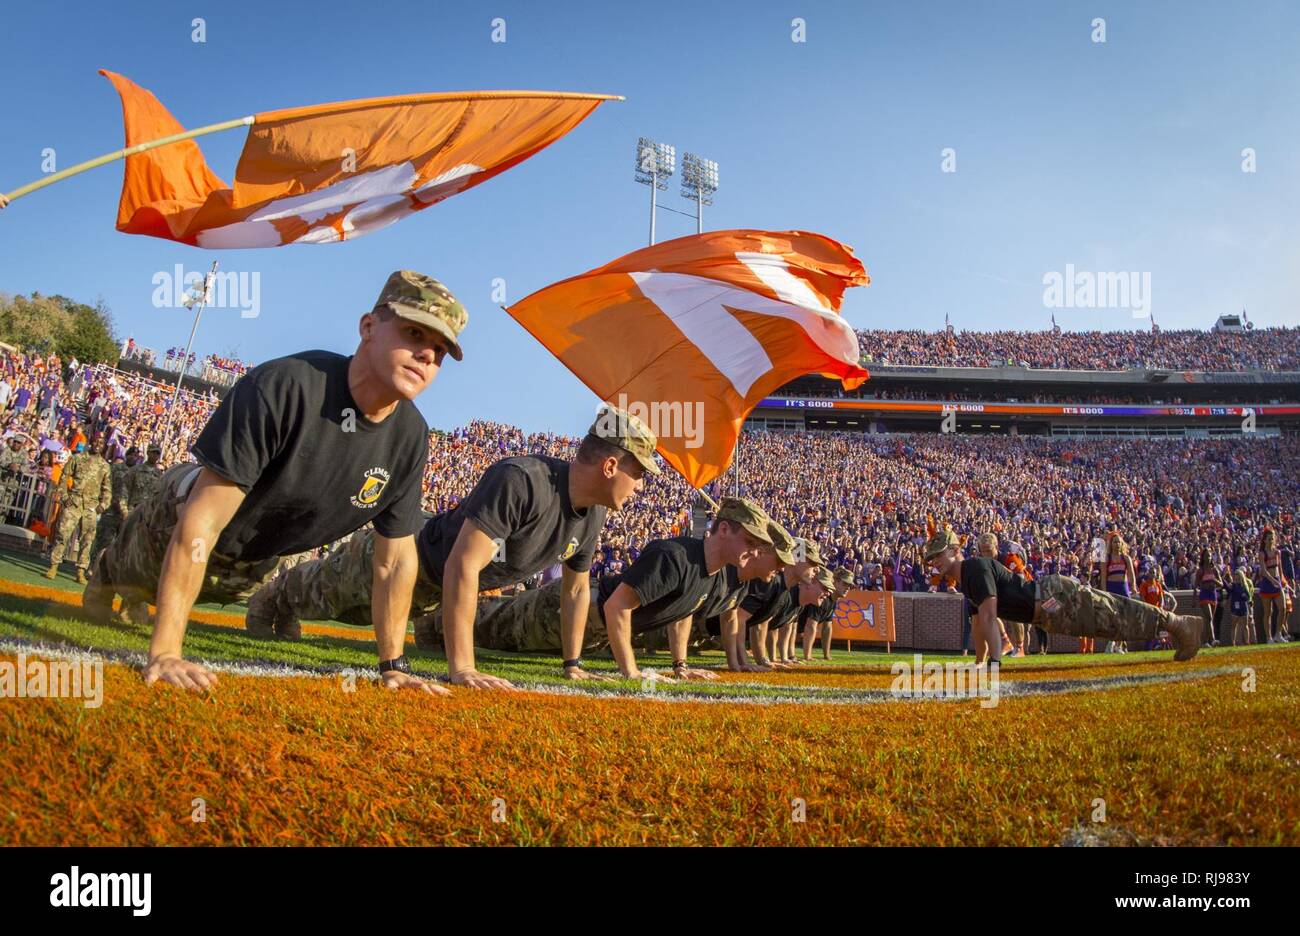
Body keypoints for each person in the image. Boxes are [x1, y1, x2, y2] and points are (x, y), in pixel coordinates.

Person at [85, 270, 467, 694]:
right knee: (137, 573)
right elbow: (201, 523)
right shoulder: (285, 386)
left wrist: (392, 665)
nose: (427, 356)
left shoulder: (411, 437)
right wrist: (167, 651)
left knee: (223, 589)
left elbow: (394, 560)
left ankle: (146, 588)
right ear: (369, 327)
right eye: (414, 333)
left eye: (440, 350)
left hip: (255, 552)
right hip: (179, 513)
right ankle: (108, 568)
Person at [249, 406, 657, 688]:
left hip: (440, 585)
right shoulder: (522, 481)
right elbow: (463, 565)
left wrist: (572, 664)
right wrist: (462, 668)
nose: (640, 486)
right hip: (412, 557)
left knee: (363, 613)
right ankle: (272, 597)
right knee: (331, 596)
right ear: (610, 467)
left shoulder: (595, 516)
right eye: (638, 473)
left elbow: (574, 591)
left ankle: (295, 606)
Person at [438, 497, 777, 682]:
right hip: (571, 611)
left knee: (504, 634)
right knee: (493, 629)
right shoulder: (675, 556)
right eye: (750, 541)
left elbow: (682, 615)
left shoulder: (714, 573)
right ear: (723, 531)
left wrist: (680, 665)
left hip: (596, 629)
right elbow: (618, 607)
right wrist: (630, 670)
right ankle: (430, 618)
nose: (756, 552)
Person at [922, 527, 1202, 663]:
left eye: (938, 554)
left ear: (955, 549)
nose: (934, 561)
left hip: (1054, 597)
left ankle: (1179, 624)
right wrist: (980, 662)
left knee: (1114, 615)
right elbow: (979, 626)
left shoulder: (974, 568)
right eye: (931, 558)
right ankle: (1177, 626)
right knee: (1109, 626)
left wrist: (993, 665)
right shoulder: (966, 581)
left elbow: (989, 615)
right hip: (1048, 613)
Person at [45, 437, 112, 583]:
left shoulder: (105, 466)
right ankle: (54, 566)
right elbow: (64, 476)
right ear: (91, 443)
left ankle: (80, 571)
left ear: (104, 446)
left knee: (87, 540)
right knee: (62, 534)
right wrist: (64, 496)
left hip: (90, 507)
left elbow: (107, 489)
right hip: (74, 502)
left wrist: (103, 505)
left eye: (101, 443)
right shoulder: (77, 458)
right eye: (96, 441)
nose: (97, 444)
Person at [1257, 528, 1290, 643]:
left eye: (1272, 538)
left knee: (1283, 608)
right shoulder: (1262, 553)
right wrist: (1273, 581)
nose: (1271, 540)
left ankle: (1278, 634)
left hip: (1276, 581)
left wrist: (1281, 581)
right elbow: (1264, 571)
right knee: (1268, 612)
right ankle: (1268, 637)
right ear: (1264, 540)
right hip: (1267, 583)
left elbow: (1280, 569)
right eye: (1269, 538)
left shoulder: (1277, 552)